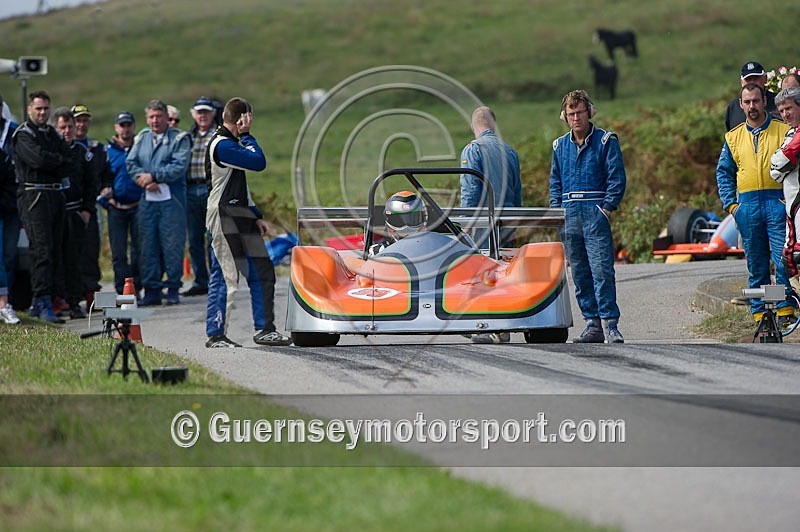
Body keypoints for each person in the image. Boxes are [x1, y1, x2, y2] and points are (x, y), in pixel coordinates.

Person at [204, 97, 290, 347]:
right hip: (223, 217)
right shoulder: (222, 145)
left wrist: (256, 216)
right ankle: (215, 334)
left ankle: (265, 329)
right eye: (248, 118)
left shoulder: (232, 144)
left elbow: (240, 184)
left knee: (263, 270)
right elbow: (258, 162)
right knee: (225, 275)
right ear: (242, 119)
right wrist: (249, 135)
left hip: (242, 217)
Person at [550, 89, 626, 343]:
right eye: (571, 114)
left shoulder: (606, 140)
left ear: (589, 112)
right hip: (568, 216)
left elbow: (617, 177)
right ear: (565, 116)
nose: (576, 118)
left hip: (595, 214)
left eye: (580, 112)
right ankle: (592, 324)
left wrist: (606, 208)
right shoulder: (559, 146)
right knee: (580, 273)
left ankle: (610, 325)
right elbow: (555, 182)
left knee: (602, 270)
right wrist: (556, 212)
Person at [717, 82, 795, 323]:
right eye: (747, 102)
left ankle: (783, 309)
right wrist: (732, 206)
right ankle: (761, 312)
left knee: (782, 261)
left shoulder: (783, 131)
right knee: (756, 264)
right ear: (741, 105)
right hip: (747, 207)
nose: (752, 106)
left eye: (756, 101)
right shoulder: (733, 137)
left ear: (764, 102)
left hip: (777, 203)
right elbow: (723, 173)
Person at [12, 90, 72, 323]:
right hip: (34, 195)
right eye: (38, 109)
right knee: (41, 250)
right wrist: (55, 161)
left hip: (55, 194)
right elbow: (36, 160)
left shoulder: (51, 133)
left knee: (56, 249)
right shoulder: (23, 134)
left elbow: (68, 160)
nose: (42, 113)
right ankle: (41, 299)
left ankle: (51, 298)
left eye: (46, 109)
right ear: (29, 110)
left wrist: (54, 161)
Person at [126, 99, 191, 306]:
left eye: (159, 116)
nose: (155, 121)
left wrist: (154, 176)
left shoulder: (179, 138)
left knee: (172, 244)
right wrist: (143, 180)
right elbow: (131, 162)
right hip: (148, 200)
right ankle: (152, 289)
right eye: (151, 117)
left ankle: (172, 287)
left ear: (166, 117)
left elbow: (179, 166)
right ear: (147, 119)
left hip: (171, 200)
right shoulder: (142, 138)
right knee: (147, 244)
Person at [53, 107, 95, 319]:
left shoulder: (81, 152)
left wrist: (87, 210)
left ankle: (75, 301)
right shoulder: (51, 151)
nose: (67, 131)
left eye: (70, 127)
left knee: (75, 261)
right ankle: (57, 301)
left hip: (76, 212)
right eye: (63, 127)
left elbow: (91, 184)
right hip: (54, 212)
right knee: (55, 259)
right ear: (56, 128)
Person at [459, 106, 521, 247]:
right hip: (507, 224)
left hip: (483, 227)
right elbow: (517, 192)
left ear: (472, 126)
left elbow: (470, 190)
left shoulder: (472, 150)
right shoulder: (510, 151)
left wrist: (464, 224)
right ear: (494, 124)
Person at [71, 104, 108, 307]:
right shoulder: (64, 147)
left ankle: (92, 293)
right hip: (69, 206)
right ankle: (71, 295)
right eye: (77, 120)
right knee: (70, 250)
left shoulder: (97, 148)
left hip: (91, 205)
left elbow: (106, 175)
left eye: (85, 120)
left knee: (91, 249)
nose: (81, 124)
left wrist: (106, 188)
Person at [101, 111, 142, 294]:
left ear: (133, 126)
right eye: (122, 125)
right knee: (118, 253)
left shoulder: (141, 147)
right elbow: (99, 178)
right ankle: (121, 290)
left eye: (128, 125)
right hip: (116, 208)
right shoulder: (107, 151)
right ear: (116, 128)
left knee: (139, 251)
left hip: (138, 207)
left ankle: (136, 288)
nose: (125, 129)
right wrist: (105, 199)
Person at [182, 96, 219, 297]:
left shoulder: (219, 135)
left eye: (206, 112)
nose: (203, 116)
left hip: (210, 189)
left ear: (213, 114)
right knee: (194, 238)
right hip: (190, 189)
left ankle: (216, 278)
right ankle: (201, 280)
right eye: (199, 112)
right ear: (194, 114)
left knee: (213, 237)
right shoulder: (188, 137)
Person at [771, 87, 800, 294]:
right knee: (787, 258)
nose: (785, 114)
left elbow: (782, 159)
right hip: (789, 202)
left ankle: (786, 307)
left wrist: (783, 162)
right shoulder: (790, 132)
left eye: (789, 108)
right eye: (781, 111)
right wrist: (782, 162)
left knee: (797, 255)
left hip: (798, 202)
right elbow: (774, 168)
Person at [0, 92, 20, 324]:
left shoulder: (14, 131)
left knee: (8, 254)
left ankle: (8, 300)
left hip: (11, 202)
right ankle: (4, 303)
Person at [368, 190, 428, 256]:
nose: (407, 227)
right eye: (400, 221)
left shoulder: (433, 248)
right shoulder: (379, 253)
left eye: (413, 219)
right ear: (389, 228)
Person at [725, 61, 779, 131]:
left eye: (756, 78)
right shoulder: (733, 107)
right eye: (748, 79)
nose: (752, 82)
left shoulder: (779, 102)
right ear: (742, 82)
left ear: (765, 79)